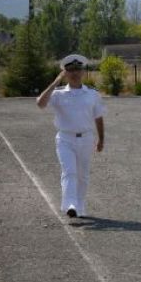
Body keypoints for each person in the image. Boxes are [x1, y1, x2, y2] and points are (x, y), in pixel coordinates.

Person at [36, 54, 105, 218]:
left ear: (83, 71)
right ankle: (70, 205)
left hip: (86, 138)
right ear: (65, 73)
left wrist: (101, 139)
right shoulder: (58, 94)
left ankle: (79, 207)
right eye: (70, 70)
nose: (75, 73)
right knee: (69, 172)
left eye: (78, 69)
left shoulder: (92, 94)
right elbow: (40, 104)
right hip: (65, 139)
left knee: (83, 175)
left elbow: (99, 117)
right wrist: (55, 82)